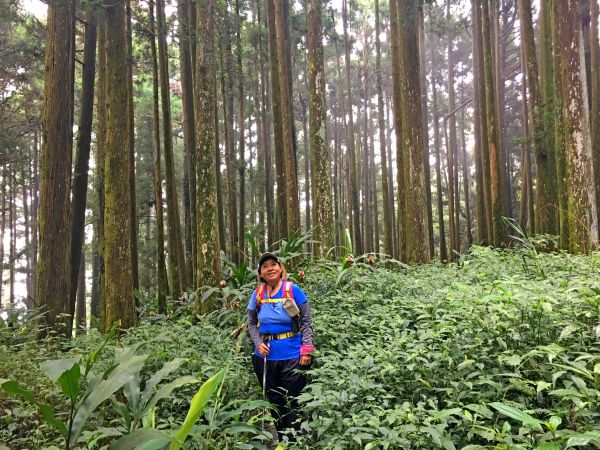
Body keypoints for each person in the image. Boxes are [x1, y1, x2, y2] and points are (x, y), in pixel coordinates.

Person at [247, 252, 315, 440]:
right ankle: (282, 439)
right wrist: (258, 343)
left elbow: (307, 321)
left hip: (292, 355)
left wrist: (307, 349)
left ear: (281, 268)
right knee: (274, 400)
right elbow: (251, 323)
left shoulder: (293, 290)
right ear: (260, 273)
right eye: (265, 266)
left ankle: (295, 440)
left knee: (292, 401)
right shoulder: (258, 294)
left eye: (274, 264)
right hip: (265, 357)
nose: (270, 268)